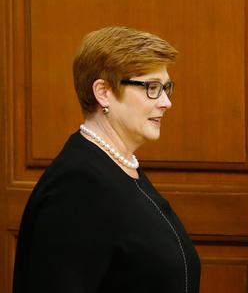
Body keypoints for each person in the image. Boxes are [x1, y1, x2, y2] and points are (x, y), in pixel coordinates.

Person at [13, 27, 201, 293]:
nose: (166, 102)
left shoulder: (121, 166)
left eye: (166, 88)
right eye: (152, 88)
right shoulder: (77, 186)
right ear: (103, 92)